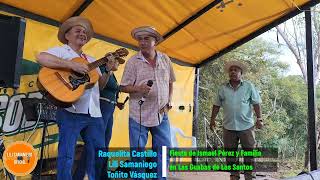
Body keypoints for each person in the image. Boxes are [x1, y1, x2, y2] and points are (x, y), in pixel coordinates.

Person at [36, 16, 105, 180]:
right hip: (70, 110)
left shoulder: (92, 60)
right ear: (67, 36)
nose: (83, 33)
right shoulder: (61, 51)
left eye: (84, 32)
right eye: (78, 30)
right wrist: (71, 65)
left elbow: (100, 86)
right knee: (67, 154)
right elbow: (41, 58)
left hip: (94, 112)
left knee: (98, 152)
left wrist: (108, 70)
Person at [120, 26, 176, 179]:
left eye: (146, 39)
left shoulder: (165, 58)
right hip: (139, 114)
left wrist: (169, 100)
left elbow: (171, 81)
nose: (142, 42)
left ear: (155, 41)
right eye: (140, 39)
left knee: (164, 150)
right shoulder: (133, 61)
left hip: (161, 112)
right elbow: (123, 86)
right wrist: (138, 88)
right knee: (138, 152)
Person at [210, 60, 263, 180]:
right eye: (231, 70)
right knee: (231, 155)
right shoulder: (222, 88)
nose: (233, 72)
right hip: (228, 127)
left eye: (236, 70)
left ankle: (250, 177)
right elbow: (216, 105)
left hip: (246, 127)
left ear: (241, 73)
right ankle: (234, 176)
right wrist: (212, 120)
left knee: (249, 154)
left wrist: (259, 118)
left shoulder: (249, 86)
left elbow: (256, 103)